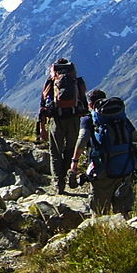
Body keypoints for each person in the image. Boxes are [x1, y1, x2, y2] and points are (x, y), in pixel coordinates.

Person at [70, 90, 137, 216]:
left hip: (102, 170)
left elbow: (82, 140)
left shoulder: (89, 119)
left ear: (90, 104)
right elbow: (135, 137)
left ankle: (101, 232)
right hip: (124, 169)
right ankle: (127, 231)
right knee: (123, 210)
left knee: (99, 210)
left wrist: (74, 162)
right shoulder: (120, 117)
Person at [37, 57, 88, 193]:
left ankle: (58, 183)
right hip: (74, 119)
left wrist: (42, 128)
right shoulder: (76, 81)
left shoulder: (52, 81)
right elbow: (84, 102)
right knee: (70, 150)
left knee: (55, 152)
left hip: (56, 120)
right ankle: (66, 175)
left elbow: (43, 105)